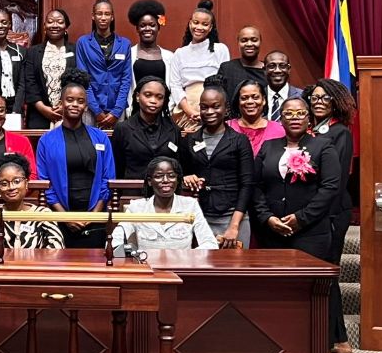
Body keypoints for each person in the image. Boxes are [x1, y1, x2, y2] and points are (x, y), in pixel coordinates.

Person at [305, 78, 358, 353]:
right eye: (314, 97)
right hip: (315, 211)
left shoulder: (341, 133)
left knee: (326, 273)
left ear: (335, 101)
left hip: (332, 212)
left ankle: (328, 341)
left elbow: (334, 181)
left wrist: (315, 213)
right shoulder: (309, 130)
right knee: (326, 275)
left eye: (325, 98)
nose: (318, 102)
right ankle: (339, 339)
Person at [252, 96, 340, 260]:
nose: (295, 118)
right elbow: (256, 186)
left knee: (309, 284)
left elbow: (329, 188)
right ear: (281, 119)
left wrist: (301, 218)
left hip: (311, 233)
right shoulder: (268, 146)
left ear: (308, 118)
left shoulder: (323, 146)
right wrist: (267, 217)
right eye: (289, 113)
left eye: (300, 113)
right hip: (272, 232)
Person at [35, 69, 115, 248]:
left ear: (86, 106)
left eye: (80, 101)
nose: (75, 105)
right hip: (59, 222)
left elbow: (107, 179)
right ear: (61, 103)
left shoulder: (100, 138)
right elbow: (44, 183)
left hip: (95, 219)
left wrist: (94, 215)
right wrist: (65, 217)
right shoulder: (46, 141)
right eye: (69, 100)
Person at [179, 82, 255, 248]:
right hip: (200, 217)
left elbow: (247, 184)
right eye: (204, 107)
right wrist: (185, 177)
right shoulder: (189, 140)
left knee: (234, 270)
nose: (209, 112)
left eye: (215, 107)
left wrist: (234, 226)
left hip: (233, 217)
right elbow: (181, 173)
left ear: (226, 109)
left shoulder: (239, 141)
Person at [112, 157, 218, 251]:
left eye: (171, 176)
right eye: (159, 176)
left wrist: (188, 258)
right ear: (150, 181)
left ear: (177, 180)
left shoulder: (190, 205)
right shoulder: (137, 207)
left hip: (181, 268)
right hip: (148, 268)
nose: (166, 180)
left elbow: (210, 243)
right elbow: (116, 238)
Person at [0, 154, 65, 250]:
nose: (11, 187)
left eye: (17, 181)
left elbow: (56, 250)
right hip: (1, 265)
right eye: (4, 184)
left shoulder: (43, 214)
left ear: (26, 184)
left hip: (37, 264)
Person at [168, 0, 230, 128]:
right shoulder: (179, 53)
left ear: (211, 27)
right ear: (190, 23)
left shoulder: (220, 49)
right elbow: (175, 86)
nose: (199, 27)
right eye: (196, 22)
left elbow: (226, 81)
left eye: (205, 24)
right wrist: (190, 111)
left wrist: (210, 110)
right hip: (186, 111)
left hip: (214, 109)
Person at [74, 0, 132, 130]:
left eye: (107, 14)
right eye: (99, 13)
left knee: (117, 148)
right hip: (90, 108)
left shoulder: (124, 44)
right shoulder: (83, 43)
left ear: (112, 17)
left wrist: (117, 111)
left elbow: (126, 79)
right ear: (93, 16)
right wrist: (97, 111)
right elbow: (83, 79)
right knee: (90, 148)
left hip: (117, 109)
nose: (103, 17)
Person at [111, 76, 183, 179]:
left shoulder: (173, 129)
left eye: (159, 97)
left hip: (165, 190)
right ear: (137, 96)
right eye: (148, 95)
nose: (153, 101)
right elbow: (118, 166)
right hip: (132, 191)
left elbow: (179, 165)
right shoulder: (123, 128)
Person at [22, 8, 76, 129]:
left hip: (68, 112)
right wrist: (43, 108)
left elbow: (77, 80)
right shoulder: (33, 52)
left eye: (60, 22)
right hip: (39, 113)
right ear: (45, 25)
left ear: (66, 27)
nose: (55, 25)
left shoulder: (76, 50)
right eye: (50, 21)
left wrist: (65, 105)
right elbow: (30, 82)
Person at [125, 0, 175, 117]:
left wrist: (169, 108)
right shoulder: (129, 54)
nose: (147, 29)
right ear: (137, 29)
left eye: (152, 25)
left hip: (163, 116)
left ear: (159, 27)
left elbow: (173, 87)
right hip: (134, 115)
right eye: (143, 25)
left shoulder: (170, 57)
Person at [226, 79, 285, 156]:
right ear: (238, 102)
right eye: (244, 98)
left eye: (255, 97)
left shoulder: (279, 129)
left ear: (263, 100)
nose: (250, 101)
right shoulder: (227, 127)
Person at [216, 26, 267, 101]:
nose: (249, 44)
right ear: (238, 43)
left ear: (260, 42)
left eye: (254, 40)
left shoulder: (268, 70)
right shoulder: (227, 69)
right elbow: (219, 97)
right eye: (244, 40)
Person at [263, 50, 303, 122]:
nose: (277, 70)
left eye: (282, 66)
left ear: (289, 69)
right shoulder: (257, 98)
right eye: (272, 66)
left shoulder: (302, 96)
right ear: (264, 70)